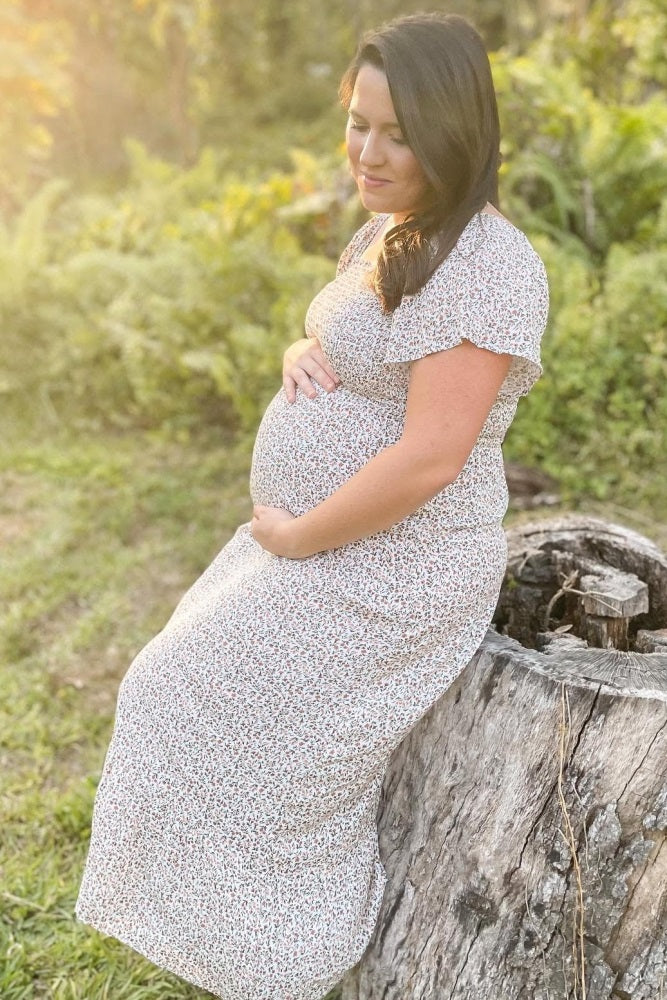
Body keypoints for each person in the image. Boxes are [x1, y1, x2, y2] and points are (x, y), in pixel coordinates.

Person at [75, 11, 549, 1000]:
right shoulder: (397, 228)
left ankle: (294, 961)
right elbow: (355, 339)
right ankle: (231, 950)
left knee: (265, 759)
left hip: (389, 566)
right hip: (327, 547)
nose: (366, 152)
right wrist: (308, 350)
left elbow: (428, 458)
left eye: (396, 132)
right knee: (173, 694)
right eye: (357, 123)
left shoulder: (491, 267)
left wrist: (294, 531)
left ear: (454, 132)